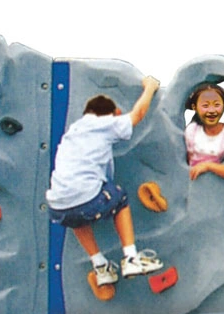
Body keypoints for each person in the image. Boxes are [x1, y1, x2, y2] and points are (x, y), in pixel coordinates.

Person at [47, 76, 164, 286]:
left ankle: (100, 265)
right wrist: (150, 87)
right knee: (119, 197)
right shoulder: (104, 123)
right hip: (88, 198)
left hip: (57, 207)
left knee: (75, 212)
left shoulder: (73, 132)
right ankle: (131, 258)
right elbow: (137, 114)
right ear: (114, 113)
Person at [184, 82, 224, 181]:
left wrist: (208, 166)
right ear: (195, 107)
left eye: (216, 105)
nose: (211, 110)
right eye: (205, 106)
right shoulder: (191, 130)